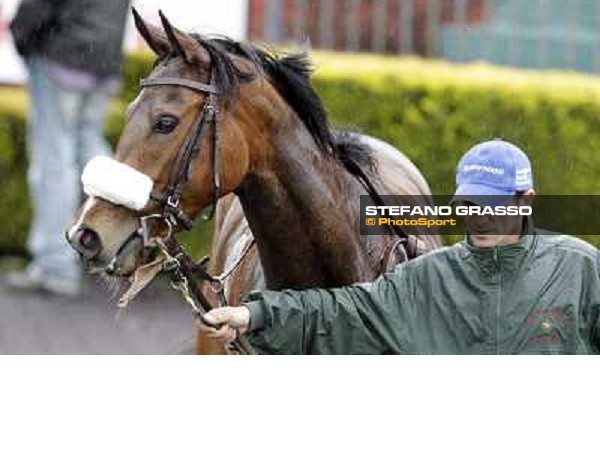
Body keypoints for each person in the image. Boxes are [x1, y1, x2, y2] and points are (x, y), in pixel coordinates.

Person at [201, 139, 600, 354]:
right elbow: (342, 313)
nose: (477, 216)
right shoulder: (429, 278)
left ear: (524, 200)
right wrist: (254, 315)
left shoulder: (580, 269)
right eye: (468, 203)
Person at [5, 0, 140, 297]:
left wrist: (21, 34)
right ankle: (125, 247)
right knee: (91, 153)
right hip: (104, 53)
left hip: (60, 50)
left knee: (54, 161)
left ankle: (55, 267)